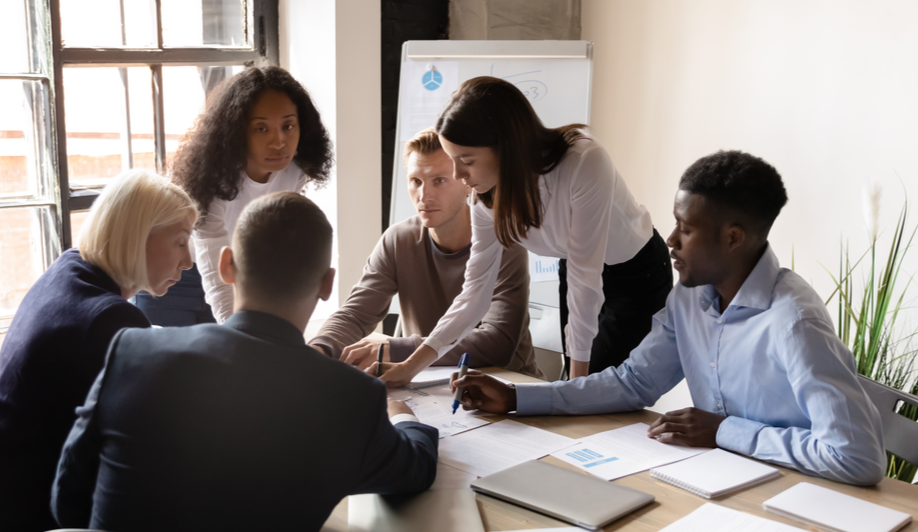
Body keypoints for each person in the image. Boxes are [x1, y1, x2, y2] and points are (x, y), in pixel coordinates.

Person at [51, 192, 438, 532]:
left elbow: (67, 501)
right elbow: (414, 469)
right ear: (326, 286)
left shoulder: (135, 348)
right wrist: (403, 414)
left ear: (227, 265)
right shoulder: (349, 398)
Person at [452, 150, 886, 488]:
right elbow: (632, 383)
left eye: (686, 228)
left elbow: (857, 458)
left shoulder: (794, 323)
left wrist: (724, 431)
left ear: (732, 238)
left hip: (804, 502)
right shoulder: (688, 299)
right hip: (719, 484)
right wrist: (517, 399)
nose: (670, 240)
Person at [0, 169, 198, 532]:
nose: (189, 259)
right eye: (180, 240)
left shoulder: (70, 272)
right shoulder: (111, 318)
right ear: (139, 235)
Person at [378, 76, 673, 386]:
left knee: (605, 387)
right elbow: (475, 295)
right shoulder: (485, 198)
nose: (457, 175)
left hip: (636, 274)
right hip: (573, 267)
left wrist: (573, 393)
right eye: (453, 161)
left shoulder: (584, 162)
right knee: (580, 384)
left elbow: (586, 279)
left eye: (466, 161)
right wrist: (410, 367)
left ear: (506, 147)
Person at [309, 128, 542, 378]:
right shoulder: (398, 240)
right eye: (416, 182)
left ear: (468, 184)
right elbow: (356, 314)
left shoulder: (504, 242)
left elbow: (497, 343)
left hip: (508, 389)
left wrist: (395, 349)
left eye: (439, 180)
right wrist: (319, 349)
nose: (424, 196)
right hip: (424, 382)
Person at [142, 65, 333, 326]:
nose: (279, 142)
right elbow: (212, 259)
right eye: (261, 129)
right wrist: (239, 333)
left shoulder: (294, 170)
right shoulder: (213, 179)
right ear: (236, 131)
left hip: (233, 274)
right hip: (172, 280)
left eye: (288, 125)